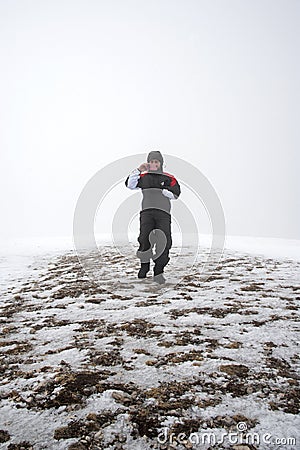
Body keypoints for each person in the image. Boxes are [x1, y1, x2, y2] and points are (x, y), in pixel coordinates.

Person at [125, 150, 181, 284]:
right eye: (151, 162)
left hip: (163, 214)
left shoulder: (168, 178)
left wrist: (162, 190)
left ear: (161, 163)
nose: (153, 164)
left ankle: (159, 271)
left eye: (156, 162)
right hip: (147, 213)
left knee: (164, 241)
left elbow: (176, 194)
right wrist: (139, 169)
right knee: (144, 239)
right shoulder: (144, 176)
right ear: (148, 163)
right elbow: (129, 184)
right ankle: (144, 266)